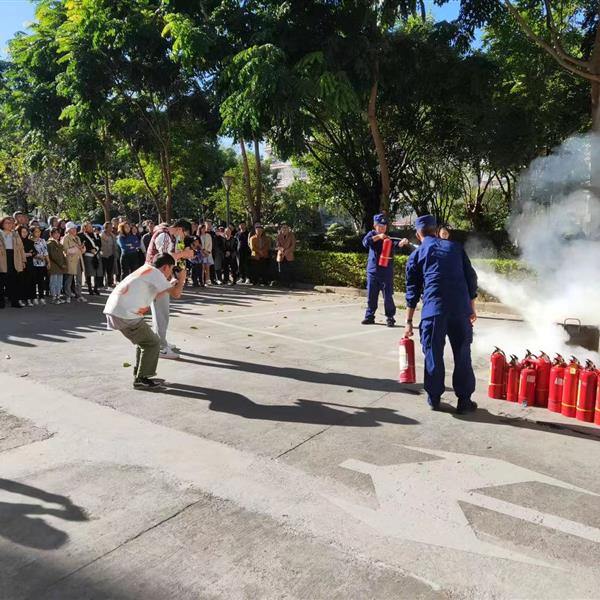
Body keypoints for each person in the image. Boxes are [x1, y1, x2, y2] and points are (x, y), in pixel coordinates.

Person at [404, 214, 478, 414]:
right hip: (460, 309)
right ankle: (464, 401)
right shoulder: (455, 247)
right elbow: (471, 278)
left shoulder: (417, 255)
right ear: (436, 231)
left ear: (418, 234)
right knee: (462, 353)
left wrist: (408, 321)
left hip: (433, 311)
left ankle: (434, 398)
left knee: (433, 354)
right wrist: (471, 307)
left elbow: (412, 291)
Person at [103, 254, 187, 390]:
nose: (171, 273)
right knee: (153, 343)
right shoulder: (156, 274)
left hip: (116, 310)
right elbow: (177, 294)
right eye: (171, 269)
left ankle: (140, 375)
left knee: (144, 342)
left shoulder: (147, 269)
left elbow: (157, 294)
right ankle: (142, 378)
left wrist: (170, 284)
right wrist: (182, 279)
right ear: (166, 267)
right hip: (126, 314)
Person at [145, 219, 194, 359]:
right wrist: (184, 254)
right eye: (184, 234)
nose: (183, 238)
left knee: (162, 313)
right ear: (180, 229)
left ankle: (162, 342)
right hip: (156, 279)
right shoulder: (164, 236)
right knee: (161, 313)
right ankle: (161, 348)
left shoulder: (166, 235)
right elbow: (164, 259)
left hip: (158, 278)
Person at [361, 214, 410, 327]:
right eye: (380, 226)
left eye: (384, 226)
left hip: (386, 272)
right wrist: (378, 237)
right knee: (371, 295)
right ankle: (369, 316)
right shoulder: (371, 234)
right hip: (373, 271)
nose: (382, 228)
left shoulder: (389, 237)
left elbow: (396, 244)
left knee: (388, 296)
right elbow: (365, 243)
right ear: (375, 226)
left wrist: (402, 243)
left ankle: (390, 317)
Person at [0, 216, 26, 309]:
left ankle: (15, 302)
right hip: (2, 258)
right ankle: (1, 302)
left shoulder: (15, 234)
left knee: (14, 281)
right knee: (1, 281)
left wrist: (23, 260)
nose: (10, 225)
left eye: (11, 223)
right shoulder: (0, 233)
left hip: (14, 257)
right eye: (7, 223)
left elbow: (21, 248)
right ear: (2, 224)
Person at [62, 221, 87, 303]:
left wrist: (82, 248)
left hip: (79, 260)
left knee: (79, 279)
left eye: (75, 228)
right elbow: (65, 250)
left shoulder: (77, 238)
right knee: (69, 279)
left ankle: (79, 295)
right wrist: (76, 248)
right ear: (68, 230)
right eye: (72, 228)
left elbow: (81, 250)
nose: (75, 230)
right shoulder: (65, 238)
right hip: (70, 261)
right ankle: (68, 296)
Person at [79, 222, 103, 295]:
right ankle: (90, 288)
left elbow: (99, 244)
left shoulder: (96, 235)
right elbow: (83, 244)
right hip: (88, 255)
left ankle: (96, 288)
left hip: (96, 255)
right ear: (85, 228)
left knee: (97, 273)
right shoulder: (82, 236)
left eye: (91, 226)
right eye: (88, 227)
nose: (90, 228)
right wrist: (89, 249)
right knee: (89, 273)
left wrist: (96, 249)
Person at [47, 226, 67, 304]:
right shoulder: (50, 243)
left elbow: (62, 255)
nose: (57, 234)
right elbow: (53, 256)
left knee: (59, 283)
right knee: (53, 282)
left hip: (60, 267)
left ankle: (58, 296)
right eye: (55, 233)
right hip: (54, 266)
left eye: (58, 233)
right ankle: (54, 297)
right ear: (51, 234)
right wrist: (61, 264)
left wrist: (64, 263)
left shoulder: (59, 243)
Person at [17, 225, 36, 307]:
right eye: (23, 232)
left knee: (29, 282)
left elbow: (34, 252)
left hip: (29, 265)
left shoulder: (30, 242)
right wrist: (26, 254)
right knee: (21, 282)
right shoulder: (16, 242)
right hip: (20, 264)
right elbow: (17, 253)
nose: (25, 233)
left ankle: (28, 298)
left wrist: (28, 254)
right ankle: (20, 299)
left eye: (26, 232)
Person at [31, 225, 49, 304]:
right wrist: (37, 256)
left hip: (42, 264)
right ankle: (34, 297)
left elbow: (45, 252)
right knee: (33, 281)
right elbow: (31, 252)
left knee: (41, 281)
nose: (38, 233)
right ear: (32, 232)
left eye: (39, 231)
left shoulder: (43, 240)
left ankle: (41, 297)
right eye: (36, 232)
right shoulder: (30, 241)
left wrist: (48, 261)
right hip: (33, 264)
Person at [276, 222, 296, 287]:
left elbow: (293, 245)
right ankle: (282, 283)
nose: (284, 229)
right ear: (281, 229)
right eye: (283, 228)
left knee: (289, 270)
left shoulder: (291, 235)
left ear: (288, 229)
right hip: (281, 255)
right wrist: (282, 250)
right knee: (281, 270)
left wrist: (287, 251)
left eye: (286, 228)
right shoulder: (279, 235)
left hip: (289, 255)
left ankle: (290, 283)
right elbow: (277, 245)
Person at [100, 222, 117, 287]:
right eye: (109, 227)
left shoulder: (113, 236)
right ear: (105, 228)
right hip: (103, 255)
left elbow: (114, 246)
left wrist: (115, 254)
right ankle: (101, 284)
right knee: (102, 270)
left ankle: (110, 283)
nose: (111, 228)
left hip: (111, 255)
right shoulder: (101, 235)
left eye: (111, 227)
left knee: (110, 270)